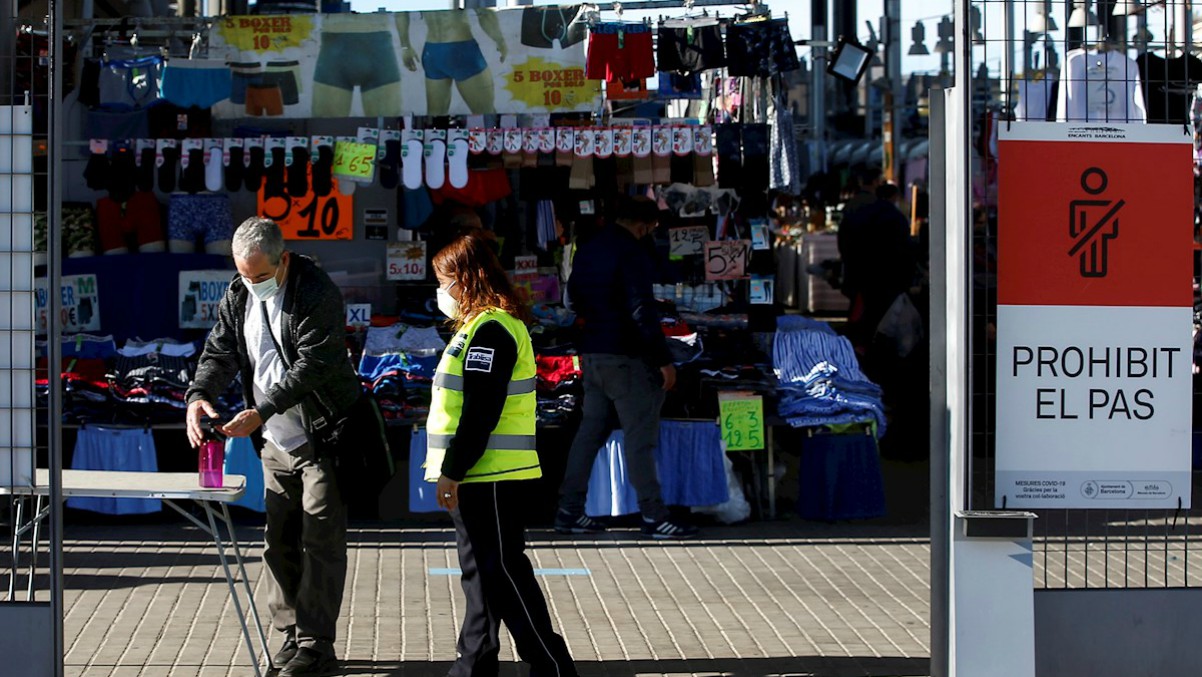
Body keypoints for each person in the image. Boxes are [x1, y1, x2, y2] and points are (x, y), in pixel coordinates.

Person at [185, 217, 360, 676]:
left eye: (261, 275)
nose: (252, 283)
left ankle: (317, 644)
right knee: (277, 540)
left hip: (322, 432)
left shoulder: (315, 290)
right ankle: (289, 635)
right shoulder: (238, 291)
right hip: (273, 440)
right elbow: (219, 350)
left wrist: (262, 409)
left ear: (283, 259)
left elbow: (314, 364)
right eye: (244, 274)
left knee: (320, 539)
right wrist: (199, 395)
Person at [427, 234, 579, 677]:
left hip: (488, 474)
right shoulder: (479, 327)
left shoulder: (490, 329)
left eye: (443, 281)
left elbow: (481, 410)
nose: (440, 293)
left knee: (502, 572)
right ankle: (473, 663)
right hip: (483, 473)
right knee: (482, 572)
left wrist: (453, 470)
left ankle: (549, 663)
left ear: (464, 280)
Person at [555, 196, 699, 539]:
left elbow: (570, 300)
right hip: (626, 358)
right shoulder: (631, 252)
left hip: (593, 355)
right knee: (640, 439)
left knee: (589, 435)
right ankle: (653, 515)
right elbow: (640, 310)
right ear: (644, 226)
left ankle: (569, 511)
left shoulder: (589, 247)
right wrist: (664, 360)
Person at [397, 9, 507, 115]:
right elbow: (484, 13)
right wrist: (500, 41)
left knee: (436, 116)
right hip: (461, 50)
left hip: (432, 52)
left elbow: (401, 11)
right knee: (486, 113)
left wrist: (405, 47)